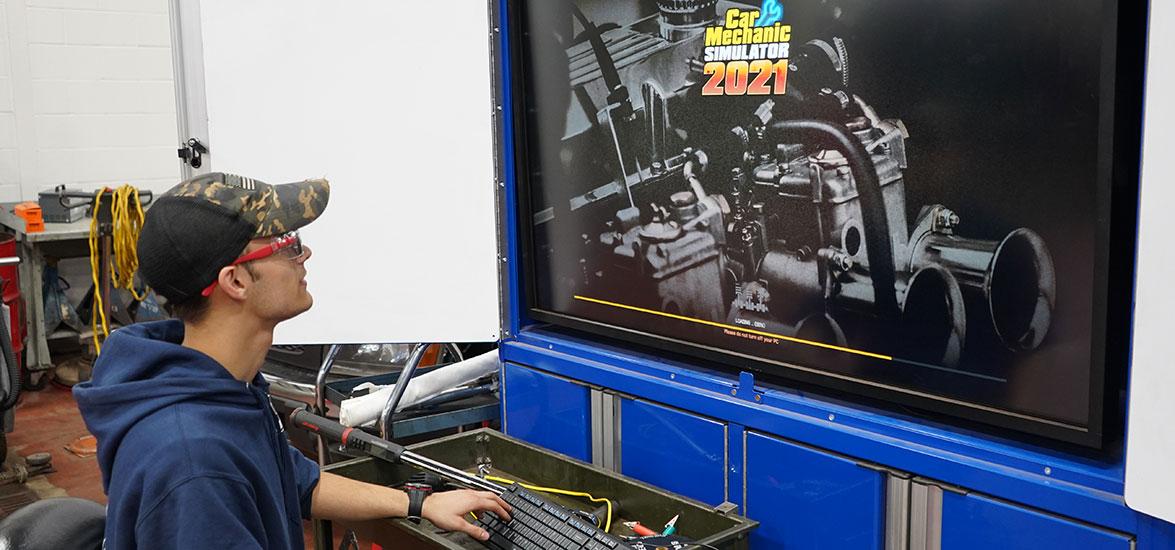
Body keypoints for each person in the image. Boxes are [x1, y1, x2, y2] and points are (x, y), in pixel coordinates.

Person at [74, 173, 511, 549]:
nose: (304, 256)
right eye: (287, 245)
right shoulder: (194, 463)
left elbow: (294, 481)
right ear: (236, 280)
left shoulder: (224, 386)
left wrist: (419, 503)